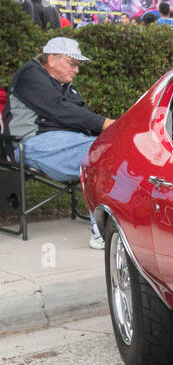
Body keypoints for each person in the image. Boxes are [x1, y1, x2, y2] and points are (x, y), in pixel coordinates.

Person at [4, 37, 115, 248]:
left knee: (110, 147)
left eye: (78, 65)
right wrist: (105, 124)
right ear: (52, 59)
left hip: (61, 141)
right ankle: (100, 230)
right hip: (29, 143)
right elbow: (61, 110)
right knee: (99, 151)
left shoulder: (64, 85)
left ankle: (107, 222)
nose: (76, 70)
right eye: (72, 63)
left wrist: (112, 131)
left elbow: (81, 113)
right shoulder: (31, 75)